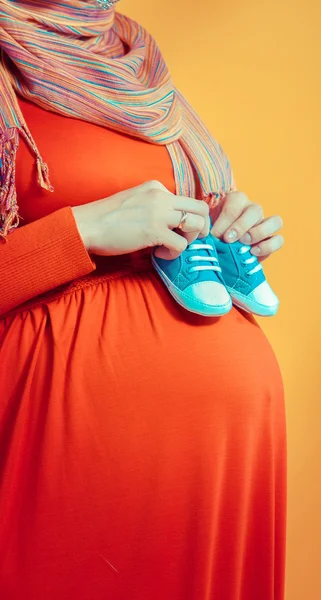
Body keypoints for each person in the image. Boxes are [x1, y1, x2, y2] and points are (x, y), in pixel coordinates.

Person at [0, 1, 286, 598]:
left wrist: (224, 224)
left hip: (217, 458)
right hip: (68, 452)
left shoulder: (135, 63)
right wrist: (82, 231)